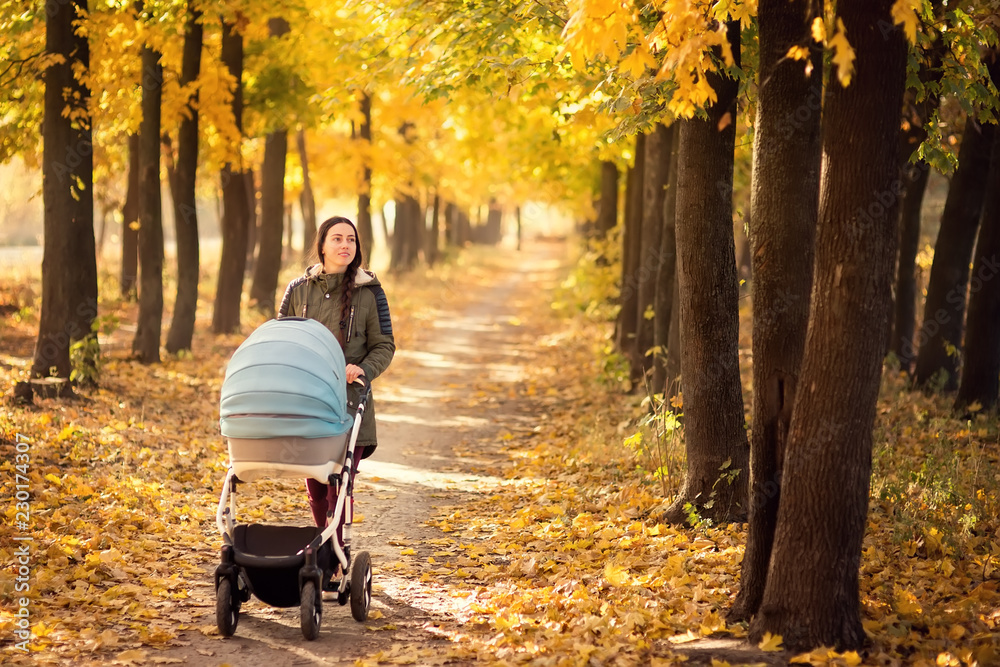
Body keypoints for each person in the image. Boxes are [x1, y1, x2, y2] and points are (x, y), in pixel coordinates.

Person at [277, 216, 395, 547]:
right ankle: (324, 544)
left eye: (351, 240)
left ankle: (338, 548)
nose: (345, 245)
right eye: (337, 239)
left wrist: (362, 369)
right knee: (315, 486)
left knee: (339, 482)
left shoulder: (370, 293)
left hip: (350, 402)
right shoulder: (298, 291)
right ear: (322, 246)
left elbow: (385, 344)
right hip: (308, 401)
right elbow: (281, 338)